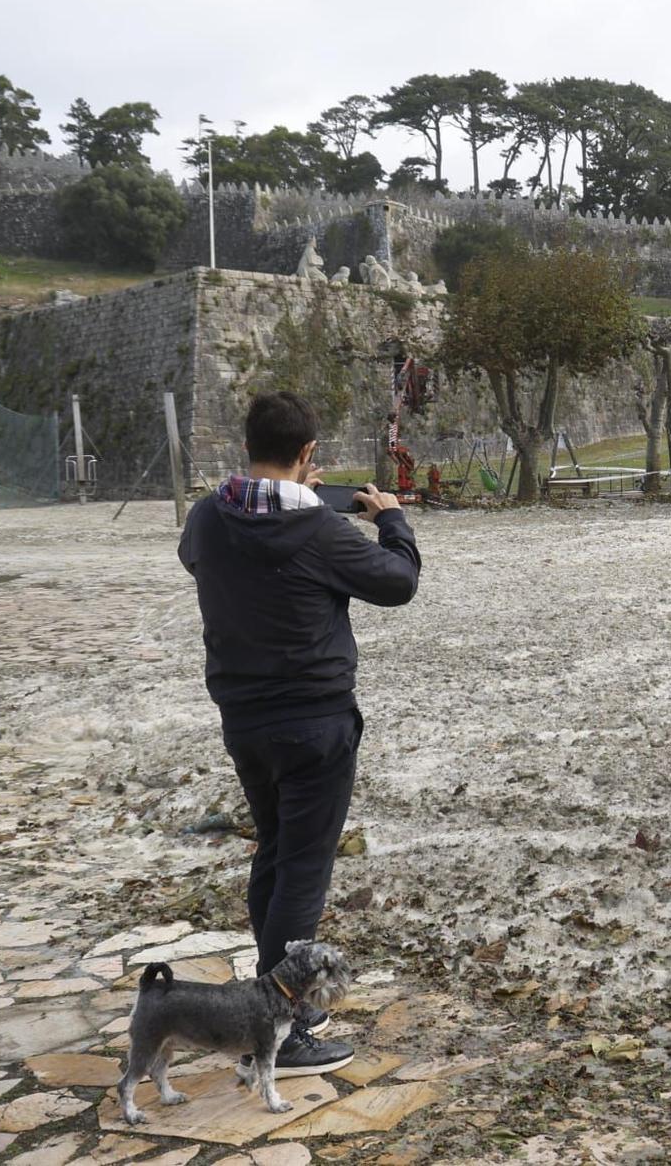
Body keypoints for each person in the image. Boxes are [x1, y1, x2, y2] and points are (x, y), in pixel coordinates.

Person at [177, 392, 421, 1076]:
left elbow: (195, 557)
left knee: (276, 854)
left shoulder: (206, 516)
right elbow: (398, 582)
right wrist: (393, 521)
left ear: (246, 443)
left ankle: (270, 995)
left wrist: (290, 501)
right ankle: (286, 1021)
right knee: (302, 875)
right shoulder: (321, 532)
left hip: (244, 720)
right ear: (308, 453)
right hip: (314, 723)